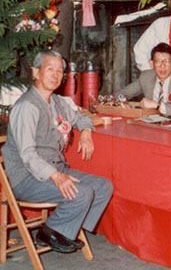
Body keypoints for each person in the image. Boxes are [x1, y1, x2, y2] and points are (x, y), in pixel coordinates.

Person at [2, 51, 113, 253]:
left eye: (60, 71)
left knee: (103, 186)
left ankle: (62, 230)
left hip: (56, 168)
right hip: (27, 178)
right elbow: (28, 155)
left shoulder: (59, 102)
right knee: (82, 193)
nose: (56, 75)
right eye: (50, 69)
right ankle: (51, 231)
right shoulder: (27, 106)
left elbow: (82, 117)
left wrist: (86, 131)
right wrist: (57, 177)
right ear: (36, 72)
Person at [117, 43, 171, 118]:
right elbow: (121, 94)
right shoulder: (146, 77)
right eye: (158, 61)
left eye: (167, 61)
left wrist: (158, 106)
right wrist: (122, 103)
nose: (162, 66)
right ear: (151, 64)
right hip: (150, 123)